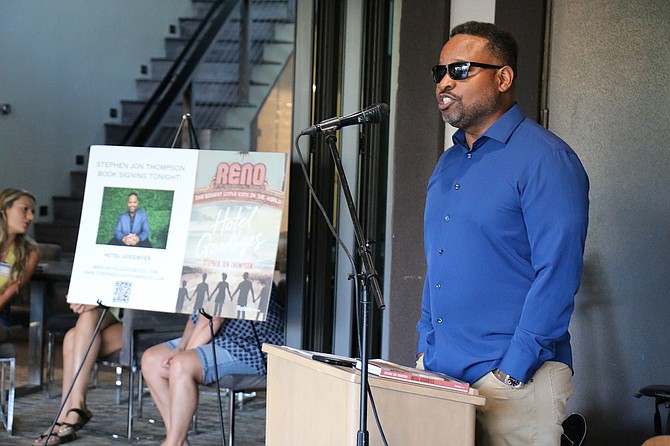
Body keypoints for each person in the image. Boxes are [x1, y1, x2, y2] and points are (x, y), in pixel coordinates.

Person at [416, 21, 589, 446]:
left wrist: (513, 369)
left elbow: (559, 272)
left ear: (503, 77)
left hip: (512, 382)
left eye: (459, 70)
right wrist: (426, 347)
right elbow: (438, 261)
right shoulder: (448, 165)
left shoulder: (546, 159)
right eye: (439, 72)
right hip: (441, 374)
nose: (444, 82)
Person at [141, 284, 284, 446]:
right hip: (220, 336)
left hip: (252, 345)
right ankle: (177, 438)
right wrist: (181, 347)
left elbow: (213, 319)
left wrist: (183, 354)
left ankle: (174, 442)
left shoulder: (237, 267)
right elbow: (195, 318)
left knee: (180, 365)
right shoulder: (206, 270)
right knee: (151, 360)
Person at [34, 304, 122, 444]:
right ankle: (67, 413)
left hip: (145, 316)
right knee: (76, 331)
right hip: (115, 313)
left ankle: (76, 408)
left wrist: (99, 301)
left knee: (74, 338)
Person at [0, 188, 39, 319]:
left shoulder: (30, 252)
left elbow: (9, 293)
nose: (31, 217)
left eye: (33, 212)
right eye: (24, 209)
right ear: (5, 209)